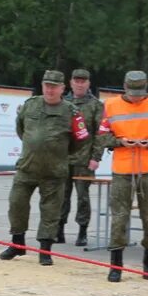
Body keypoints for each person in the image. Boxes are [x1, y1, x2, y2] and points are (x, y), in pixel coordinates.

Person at [0, 69, 89, 265]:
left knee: (51, 211)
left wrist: (60, 152)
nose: (50, 90)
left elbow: (80, 140)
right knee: (16, 204)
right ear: (42, 86)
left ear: (62, 89)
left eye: (54, 86)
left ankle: (45, 250)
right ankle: (17, 244)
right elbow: (21, 129)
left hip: (54, 171)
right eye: (47, 85)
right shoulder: (30, 106)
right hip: (27, 167)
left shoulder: (71, 111)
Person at [96, 70, 148, 282]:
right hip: (122, 170)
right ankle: (116, 266)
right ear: (124, 87)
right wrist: (119, 142)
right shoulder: (111, 105)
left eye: (140, 93)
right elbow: (102, 135)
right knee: (119, 218)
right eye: (132, 93)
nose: (136, 97)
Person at [58, 68, 104, 247]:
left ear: (88, 84)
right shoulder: (62, 102)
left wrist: (96, 158)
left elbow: (100, 134)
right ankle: (59, 230)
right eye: (76, 80)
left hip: (84, 160)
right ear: (70, 83)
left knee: (83, 197)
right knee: (61, 196)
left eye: (83, 81)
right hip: (63, 157)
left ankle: (82, 231)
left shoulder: (95, 105)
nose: (79, 84)